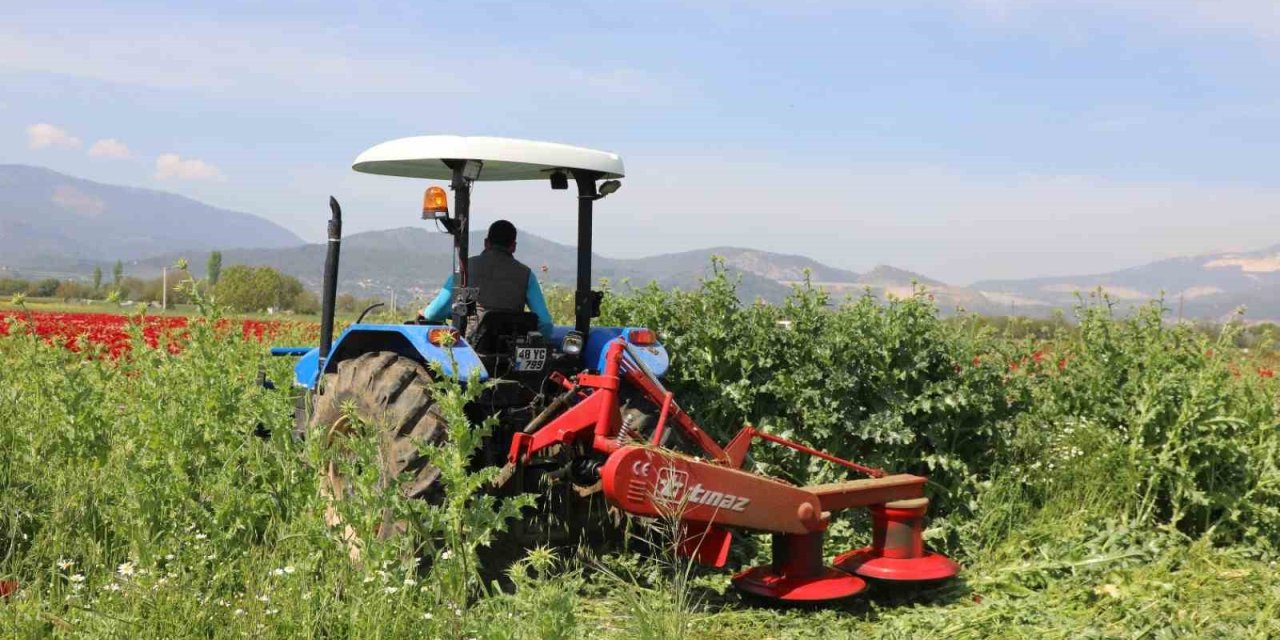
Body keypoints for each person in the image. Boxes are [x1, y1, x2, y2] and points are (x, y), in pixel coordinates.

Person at [421, 219, 555, 337]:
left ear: (486, 243)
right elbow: (545, 323)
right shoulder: (526, 274)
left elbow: (435, 313)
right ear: (513, 246)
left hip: (473, 349)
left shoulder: (466, 268)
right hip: (512, 350)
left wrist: (424, 312)